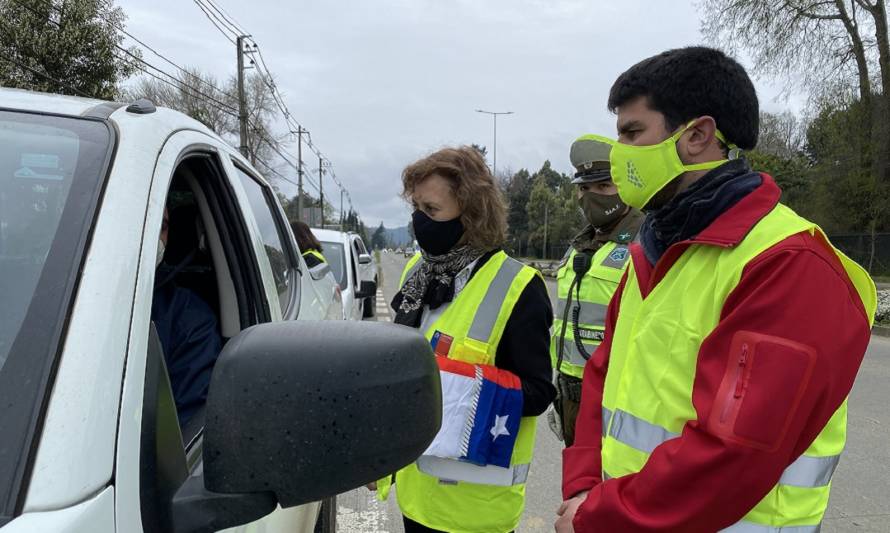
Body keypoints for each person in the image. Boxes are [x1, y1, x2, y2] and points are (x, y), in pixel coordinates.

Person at [556, 46, 876, 533]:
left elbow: (733, 454)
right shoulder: (651, 252)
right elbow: (602, 373)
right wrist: (582, 485)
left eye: (632, 132)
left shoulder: (788, 263)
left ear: (697, 136)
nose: (618, 152)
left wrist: (600, 515)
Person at [371, 146, 555, 533]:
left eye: (432, 210)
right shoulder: (417, 272)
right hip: (416, 492)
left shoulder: (518, 287)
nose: (421, 221)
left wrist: (449, 388)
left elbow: (538, 392)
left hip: (473, 511)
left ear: (471, 214)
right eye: (417, 208)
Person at [549, 135, 643, 447]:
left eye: (604, 187)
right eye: (585, 189)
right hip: (570, 395)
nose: (591, 197)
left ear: (627, 187)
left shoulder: (646, 243)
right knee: (575, 489)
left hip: (615, 397)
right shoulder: (579, 245)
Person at [151, 207, 222, 426]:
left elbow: (182, 437)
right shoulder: (53, 293)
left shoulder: (188, 320)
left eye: (161, 227)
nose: (153, 237)